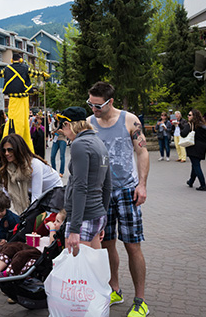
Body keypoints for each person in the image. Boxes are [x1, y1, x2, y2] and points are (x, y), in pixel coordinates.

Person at [87, 81, 150, 317]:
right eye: (90, 104)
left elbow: (142, 151)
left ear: (110, 101)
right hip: (101, 192)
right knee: (106, 244)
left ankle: (140, 300)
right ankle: (114, 289)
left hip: (126, 190)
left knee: (132, 245)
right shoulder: (90, 123)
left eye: (98, 105)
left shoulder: (129, 120)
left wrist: (141, 185)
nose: (93, 109)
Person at [58, 106, 112, 257]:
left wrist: (75, 229)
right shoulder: (98, 142)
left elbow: (80, 187)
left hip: (83, 216)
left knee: (77, 273)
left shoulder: (79, 144)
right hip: (97, 212)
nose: (64, 134)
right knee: (93, 270)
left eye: (63, 128)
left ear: (67, 125)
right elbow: (107, 186)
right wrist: (104, 217)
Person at [0, 52, 49, 151]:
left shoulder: (7, 68)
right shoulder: (25, 67)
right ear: (20, 60)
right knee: (23, 120)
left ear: (12, 60)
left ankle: (12, 136)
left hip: (13, 99)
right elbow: (34, 73)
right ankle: (22, 140)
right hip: (24, 98)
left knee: (13, 118)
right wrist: (43, 74)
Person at [0, 209, 66, 280]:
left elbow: (51, 244)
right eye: (55, 221)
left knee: (21, 255)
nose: (54, 223)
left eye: (58, 221)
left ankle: (7, 273)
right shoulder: (52, 231)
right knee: (11, 246)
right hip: (32, 247)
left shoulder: (59, 236)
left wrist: (52, 228)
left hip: (40, 254)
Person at [0, 133, 63, 215]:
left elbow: (36, 197)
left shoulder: (34, 165)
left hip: (53, 194)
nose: (6, 153)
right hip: (34, 193)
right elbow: (7, 192)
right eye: (4, 150)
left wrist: (26, 217)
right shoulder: (9, 167)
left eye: (10, 150)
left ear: (18, 149)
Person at [181, 109, 206, 191]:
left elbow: (183, 134)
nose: (188, 116)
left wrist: (184, 126)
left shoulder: (191, 125)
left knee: (196, 166)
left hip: (193, 147)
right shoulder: (204, 125)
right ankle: (191, 181)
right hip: (202, 148)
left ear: (194, 116)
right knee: (195, 165)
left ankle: (203, 185)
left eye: (189, 115)